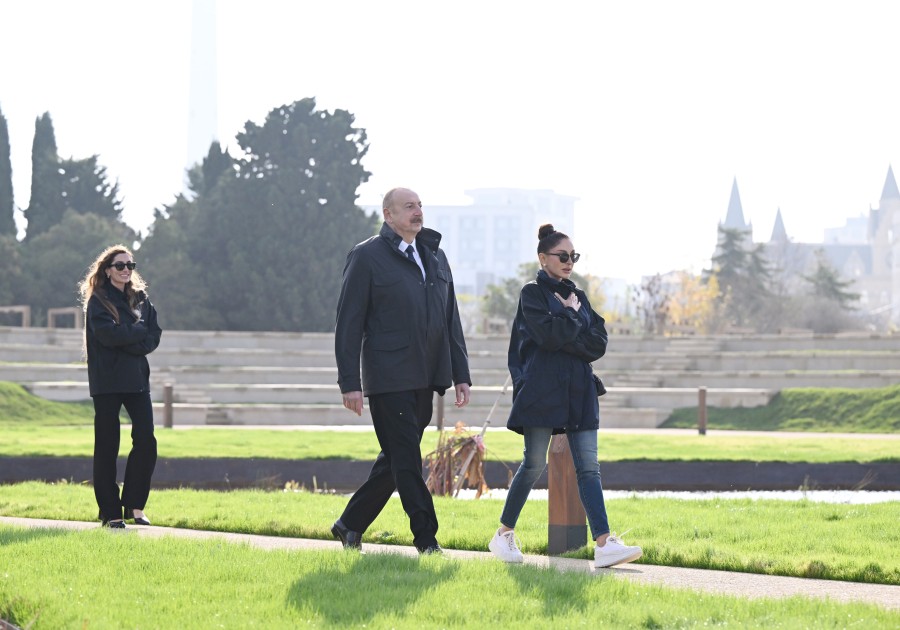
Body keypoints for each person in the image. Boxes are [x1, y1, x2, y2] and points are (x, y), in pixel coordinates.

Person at [487, 224, 642, 568]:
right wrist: (573, 320)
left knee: (589, 468)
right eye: (562, 255)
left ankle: (604, 543)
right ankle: (503, 534)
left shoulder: (580, 296)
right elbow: (547, 336)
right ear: (543, 258)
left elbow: (598, 341)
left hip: (579, 391)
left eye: (573, 256)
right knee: (534, 464)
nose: (569, 261)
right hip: (541, 392)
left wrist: (569, 326)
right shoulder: (532, 294)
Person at [332, 187, 471, 554]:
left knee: (396, 457)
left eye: (420, 206)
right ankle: (426, 539)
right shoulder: (366, 257)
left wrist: (461, 374)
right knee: (407, 459)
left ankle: (350, 524)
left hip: (426, 377)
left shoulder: (436, 256)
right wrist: (350, 382)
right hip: (387, 377)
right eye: (409, 206)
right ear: (388, 214)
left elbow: (450, 319)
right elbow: (348, 323)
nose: (417, 212)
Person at [78, 245, 162, 528]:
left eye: (130, 265)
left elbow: (154, 333)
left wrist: (132, 338)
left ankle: (135, 506)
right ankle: (111, 512)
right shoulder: (98, 302)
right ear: (107, 270)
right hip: (108, 382)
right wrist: (136, 333)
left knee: (147, 441)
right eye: (120, 265)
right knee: (107, 446)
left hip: (137, 379)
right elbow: (107, 336)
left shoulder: (141, 299)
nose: (126, 270)